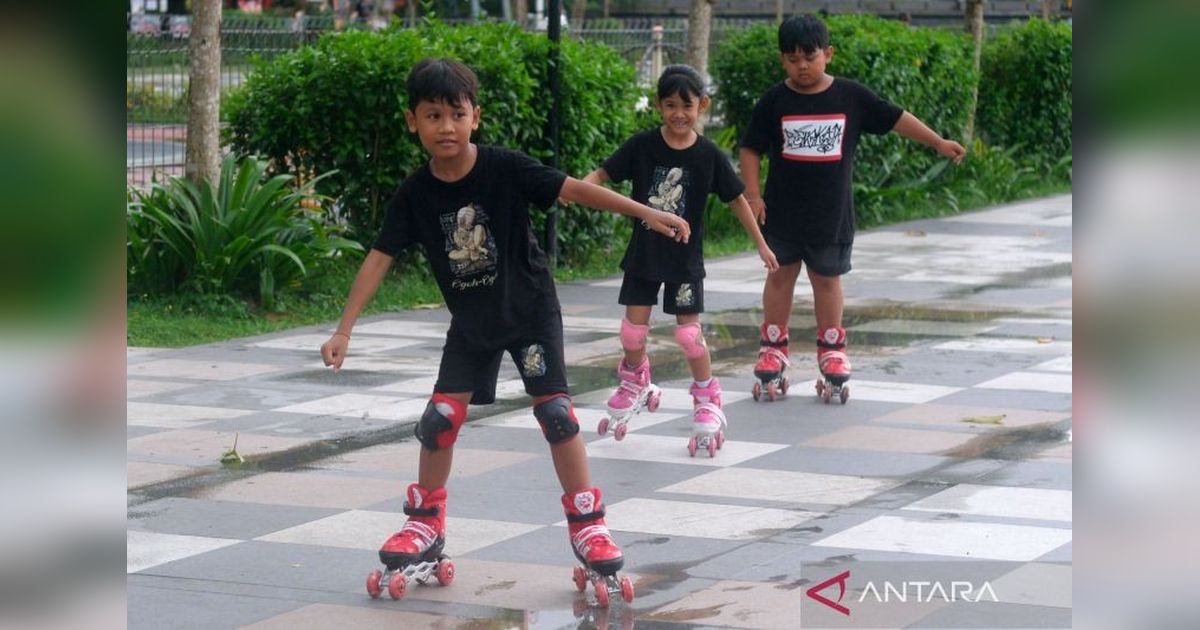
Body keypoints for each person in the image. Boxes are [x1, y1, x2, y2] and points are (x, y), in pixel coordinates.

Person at [319, 58, 690, 596]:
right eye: (432, 116)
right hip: (473, 325)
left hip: (530, 314)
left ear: (476, 117)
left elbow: (574, 190)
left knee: (558, 416)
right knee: (440, 419)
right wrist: (344, 330)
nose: (445, 127)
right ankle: (426, 521)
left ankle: (589, 526)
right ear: (412, 122)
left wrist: (645, 213)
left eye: (456, 114)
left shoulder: (503, 167)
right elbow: (379, 258)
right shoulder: (414, 193)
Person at [739, 14, 965, 402]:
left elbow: (895, 118)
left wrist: (936, 142)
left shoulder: (850, 96)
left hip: (831, 214)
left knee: (827, 279)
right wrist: (754, 195)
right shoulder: (774, 101)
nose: (802, 66)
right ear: (782, 61)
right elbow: (750, 148)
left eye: (809, 57)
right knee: (780, 277)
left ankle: (832, 351)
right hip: (782, 212)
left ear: (828, 54)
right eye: (792, 59)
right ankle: (773, 346)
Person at [581, 65, 778, 452]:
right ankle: (635, 379)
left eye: (686, 106)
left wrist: (761, 244)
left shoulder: (708, 155)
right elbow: (602, 175)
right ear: (658, 105)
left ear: (702, 106)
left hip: (684, 261)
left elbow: (737, 200)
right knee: (631, 333)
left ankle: (707, 398)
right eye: (669, 105)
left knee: (689, 335)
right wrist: (578, 188)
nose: (677, 114)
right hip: (643, 255)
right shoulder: (641, 146)